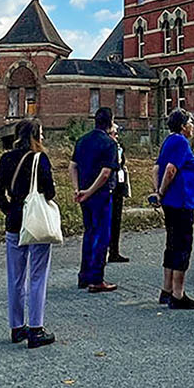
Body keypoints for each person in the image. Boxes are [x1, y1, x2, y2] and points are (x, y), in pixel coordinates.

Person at [0, 119, 57, 348]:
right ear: (36, 136)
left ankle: (17, 327)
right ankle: (36, 328)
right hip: (35, 222)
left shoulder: (6, 158)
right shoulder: (40, 159)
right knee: (38, 274)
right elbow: (49, 191)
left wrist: (11, 210)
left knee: (15, 277)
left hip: (13, 220)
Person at [150, 109, 194, 310]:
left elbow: (157, 168)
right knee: (183, 245)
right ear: (183, 126)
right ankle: (178, 294)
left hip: (170, 202)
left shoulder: (168, 141)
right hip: (181, 200)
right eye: (190, 123)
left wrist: (157, 192)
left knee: (171, 242)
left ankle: (167, 289)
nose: (193, 127)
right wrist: (162, 190)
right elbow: (171, 169)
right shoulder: (181, 142)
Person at [70, 107, 120, 293]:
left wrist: (77, 189)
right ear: (110, 121)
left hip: (83, 192)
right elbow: (106, 173)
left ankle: (84, 275)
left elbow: (72, 166)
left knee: (89, 232)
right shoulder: (109, 143)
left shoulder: (82, 140)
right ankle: (96, 278)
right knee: (102, 234)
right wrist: (91, 191)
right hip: (100, 194)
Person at [108, 123, 130, 263]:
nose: (117, 137)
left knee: (116, 220)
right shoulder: (106, 148)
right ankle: (105, 251)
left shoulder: (119, 148)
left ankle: (114, 251)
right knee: (108, 220)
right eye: (114, 134)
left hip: (118, 187)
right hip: (109, 187)